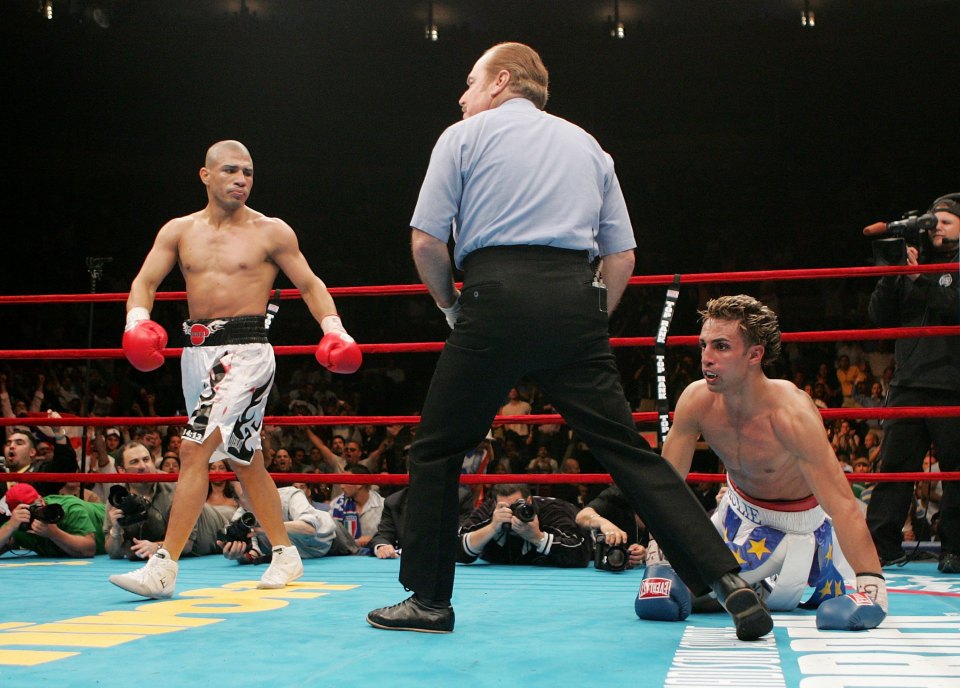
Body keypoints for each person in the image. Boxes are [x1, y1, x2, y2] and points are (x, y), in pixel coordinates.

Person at [367, 43, 771, 640]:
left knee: (437, 449)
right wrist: (589, 314)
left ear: (502, 80)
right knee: (628, 452)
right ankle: (726, 579)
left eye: (470, 82)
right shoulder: (589, 145)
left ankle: (429, 601)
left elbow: (427, 242)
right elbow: (623, 255)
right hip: (573, 298)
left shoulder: (463, 137)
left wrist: (451, 307)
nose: (462, 96)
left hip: (493, 294)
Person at [108, 140, 362, 599]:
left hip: (246, 352)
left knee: (192, 451)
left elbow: (309, 283)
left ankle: (163, 566)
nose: (241, 179)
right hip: (196, 352)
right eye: (230, 171)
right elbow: (144, 281)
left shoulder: (271, 232)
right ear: (206, 176)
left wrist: (334, 329)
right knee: (245, 460)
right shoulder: (179, 231)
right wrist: (136, 322)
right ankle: (286, 554)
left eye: (247, 172)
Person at [657, 295, 887, 630]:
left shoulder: (789, 414)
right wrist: (656, 553)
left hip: (795, 527)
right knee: (663, 595)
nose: (706, 358)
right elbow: (666, 488)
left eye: (721, 347)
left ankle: (774, 580)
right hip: (733, 512)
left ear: (754, 354)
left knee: (698, 591)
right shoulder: (696, 400)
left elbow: (842, 505)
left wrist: (872, 587)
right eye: (704, 345)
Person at [866, 193, 960, 573]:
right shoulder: (912, 264)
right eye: (933, 221)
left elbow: (954, 306)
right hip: (908, 382)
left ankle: (955, 549)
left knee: (955, 472)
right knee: (893, 470)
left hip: (953, 385)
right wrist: (893, 275)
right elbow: (878, 317)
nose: (937, 227)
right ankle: (881, 548)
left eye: (947, 222)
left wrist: (920, 278)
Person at [104, 442, 224, 561]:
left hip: (217, 527)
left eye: (146, 459)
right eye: (134, 462)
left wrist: (157, 546)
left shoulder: (174, 487)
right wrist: (116, 530)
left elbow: (187, 544)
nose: (143, 466)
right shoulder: (118, 497)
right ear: (121, 469)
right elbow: (113, 553)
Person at [456, 483, 591, 568]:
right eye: (505, 507)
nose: (511, 513)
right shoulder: (491, 510)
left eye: (516, 505)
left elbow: (582, 554)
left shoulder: (553, 511)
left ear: (529, 501)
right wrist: (492, 528)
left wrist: (537, 537)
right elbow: (456, 550)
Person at [220, 483, 358, 564]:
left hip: (331, 539)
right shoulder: (242, 520)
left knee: (357, 561)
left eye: (254, 489)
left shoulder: (289, 495)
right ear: (237, 501)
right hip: (302, 556)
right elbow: (253, 553)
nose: (254, 496)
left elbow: (309, 528)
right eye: (246, 495)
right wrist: (238, 556)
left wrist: (265, 528)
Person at [0, 483, 106, 557]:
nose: (32, 515)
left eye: (34, 507)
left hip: (112, 521)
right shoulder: (17, 524)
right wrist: (10, 527)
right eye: (24, 511)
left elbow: (89, 549)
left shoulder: (69, 509)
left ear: (41, 500)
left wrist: (54, 534)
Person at [575, 484, 647, 569]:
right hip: (602, 560)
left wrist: (647, 553)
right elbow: (581, 516)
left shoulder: (662, 502)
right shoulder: (617, 495)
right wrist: (604, 523)